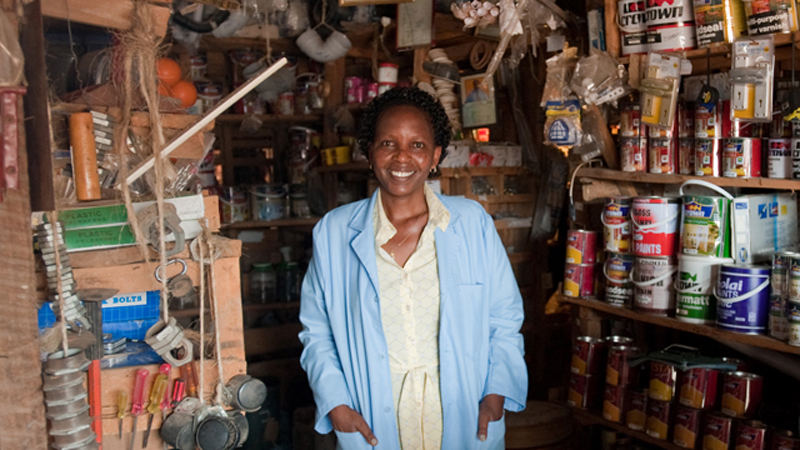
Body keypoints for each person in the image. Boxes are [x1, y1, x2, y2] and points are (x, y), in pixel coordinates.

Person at [298, 87, 527, 450]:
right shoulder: (335, 231)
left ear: (435, 156)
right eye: (388, 143)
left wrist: (496, 393)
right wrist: (337, 405)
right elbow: (317, 331)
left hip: (463, 417)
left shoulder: (470, 223)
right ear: (369, 152)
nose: (402, 157)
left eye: (417, 145)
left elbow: (504, 318)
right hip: (372, 421)